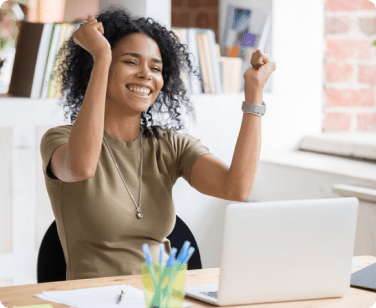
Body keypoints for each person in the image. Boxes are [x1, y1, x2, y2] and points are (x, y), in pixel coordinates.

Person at [40, 6, 276, 281]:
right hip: (95, 298)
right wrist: (102, 55)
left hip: (163, 295)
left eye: (156, 68)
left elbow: (236, 188)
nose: (146, 74)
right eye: (130, 61)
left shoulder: (170, 144)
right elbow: (82, 167)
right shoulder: (60, 139)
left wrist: (254, 94)